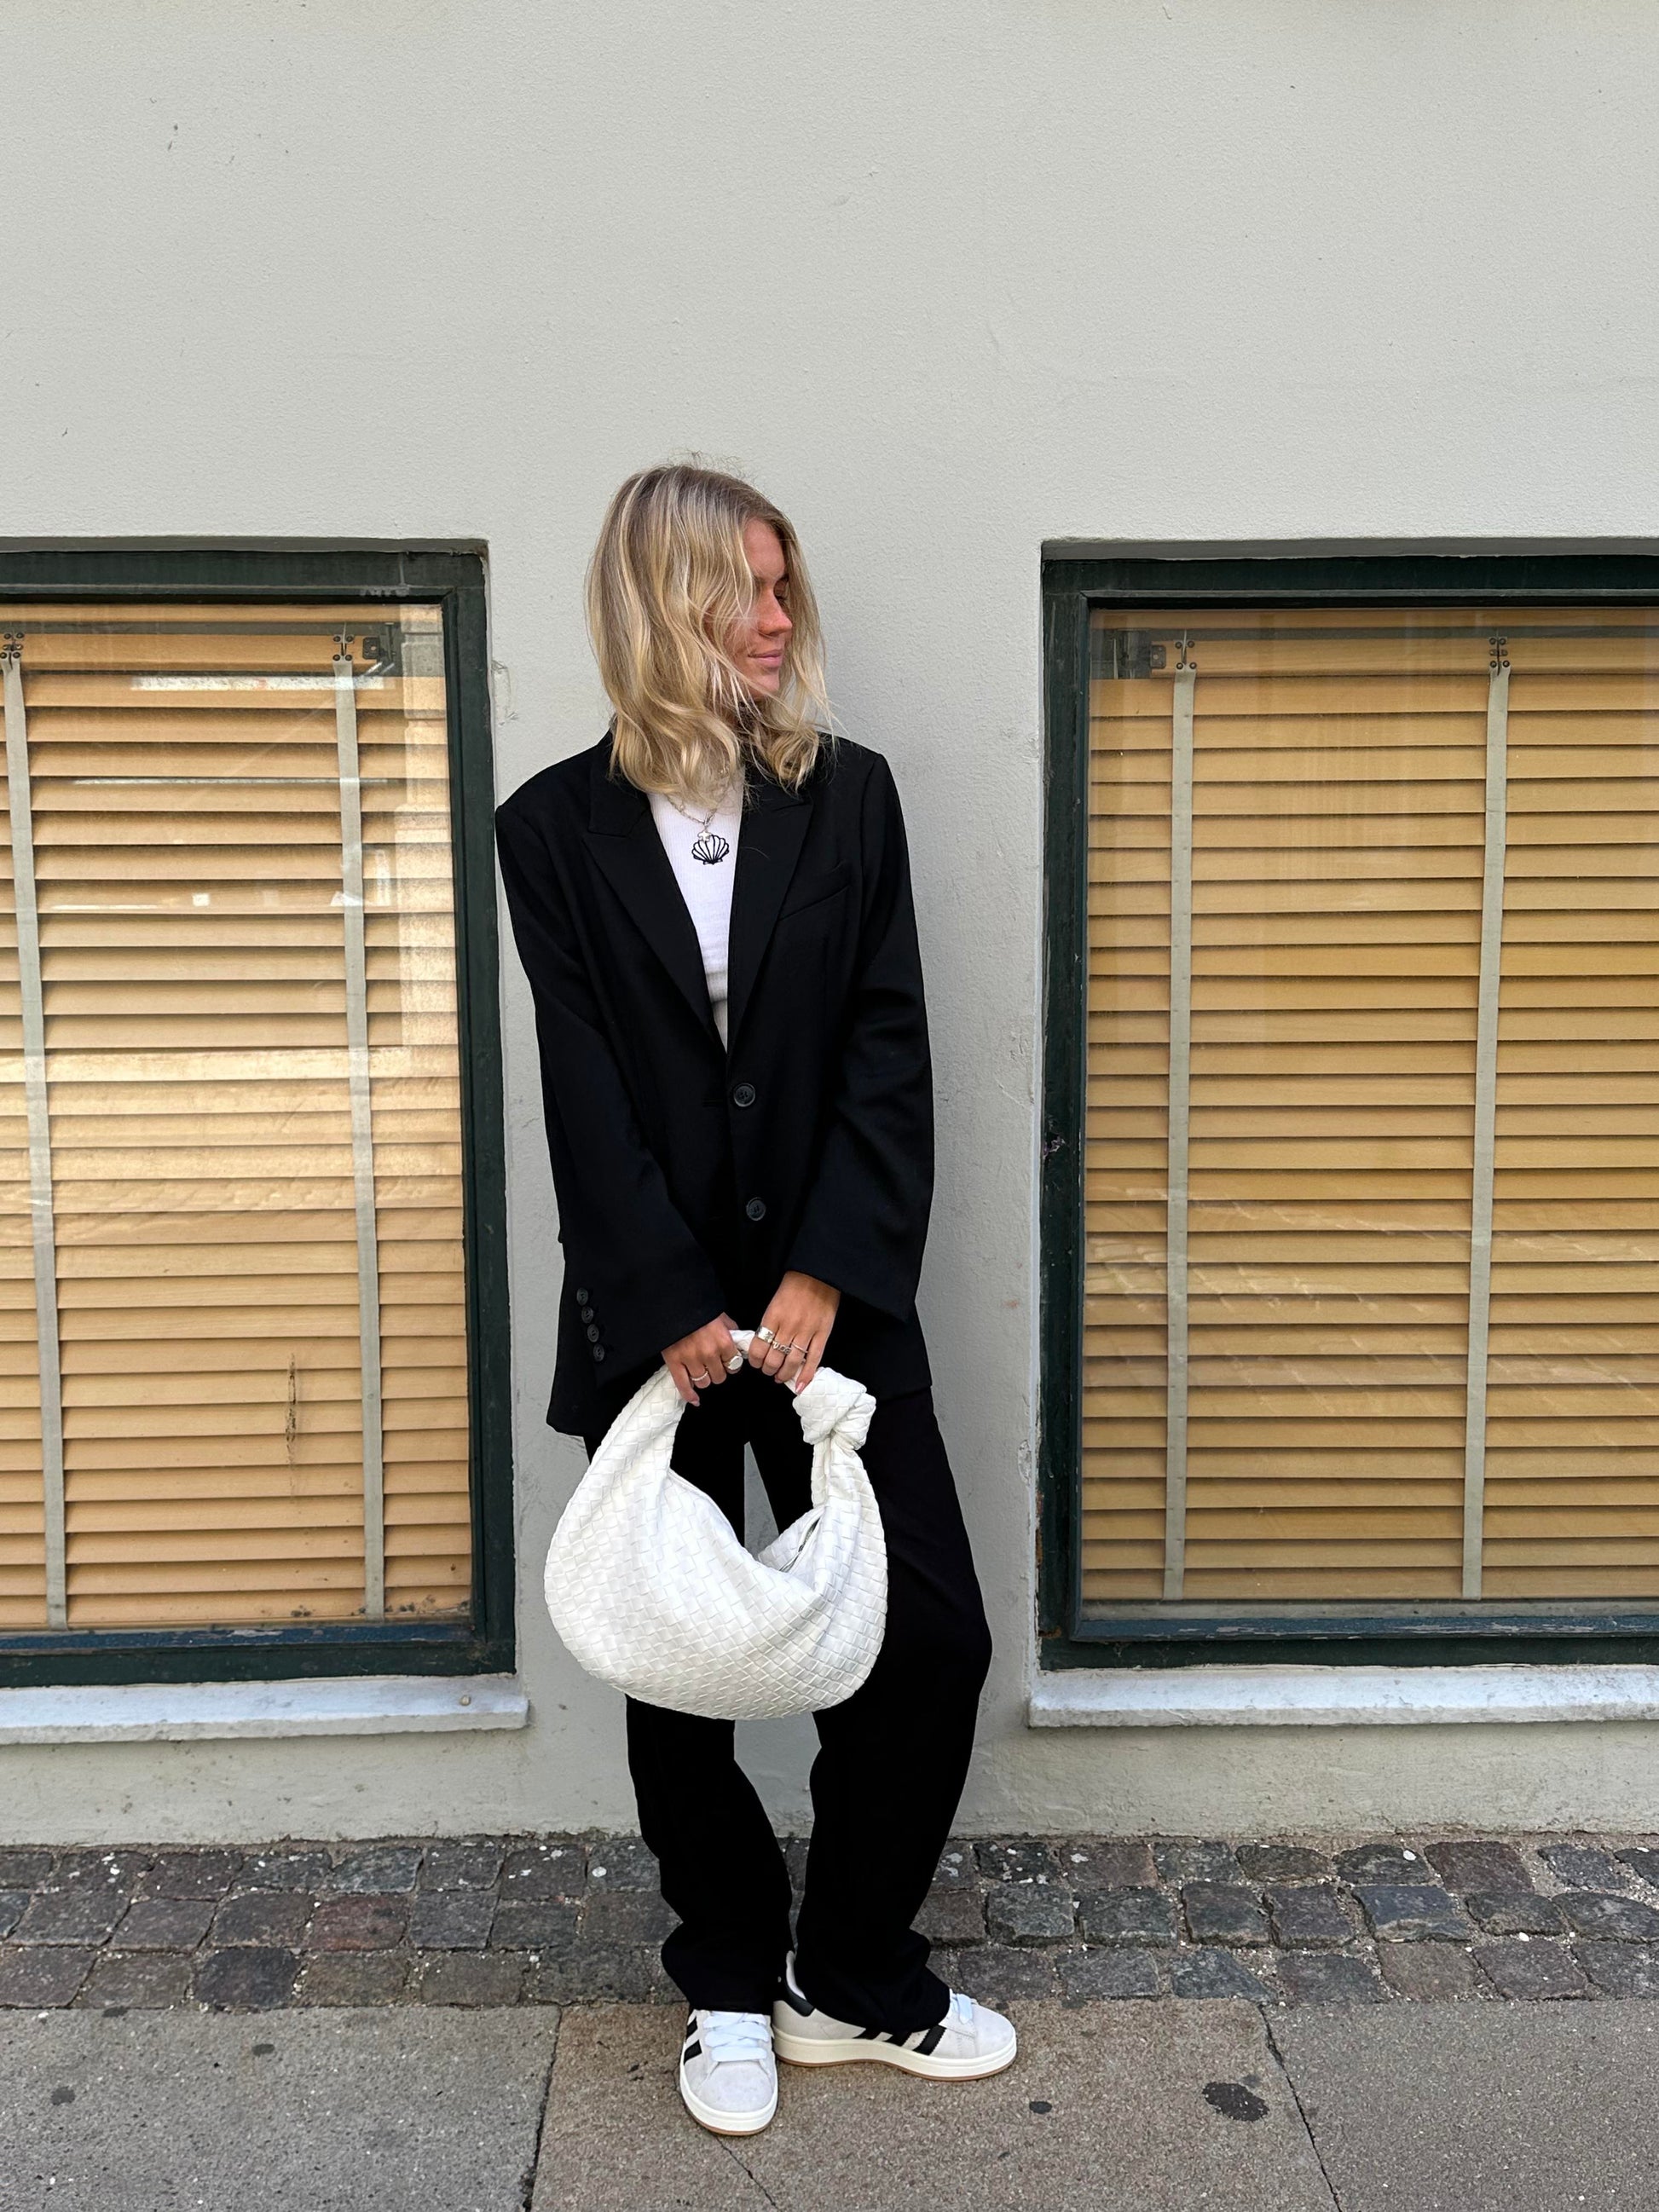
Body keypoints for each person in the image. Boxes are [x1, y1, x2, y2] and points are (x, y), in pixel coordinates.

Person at [494, 462, 1009, 2138]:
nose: (780, 619)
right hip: (661, 1322)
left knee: (929, 1639)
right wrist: (665, 1298)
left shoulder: (849, 800)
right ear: (666, 601)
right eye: (748, 589)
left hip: (829, 1305)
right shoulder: (550, 830)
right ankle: (724, 1970)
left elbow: (887, 1043)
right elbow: (584, 1089)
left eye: (788, 588)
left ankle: (844, 1971)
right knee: (680, 1655)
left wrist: (826, 1269)